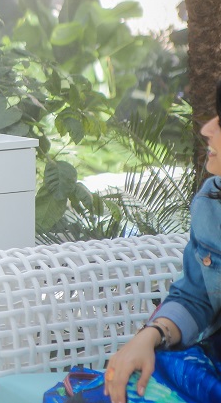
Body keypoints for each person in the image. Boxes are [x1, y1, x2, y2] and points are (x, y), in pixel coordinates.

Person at [103, 81, 221, 403]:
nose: (207, 129)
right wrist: (151, 335)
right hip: (209, 368)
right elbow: (195, 296)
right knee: (105, 392)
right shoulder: (211, 203)